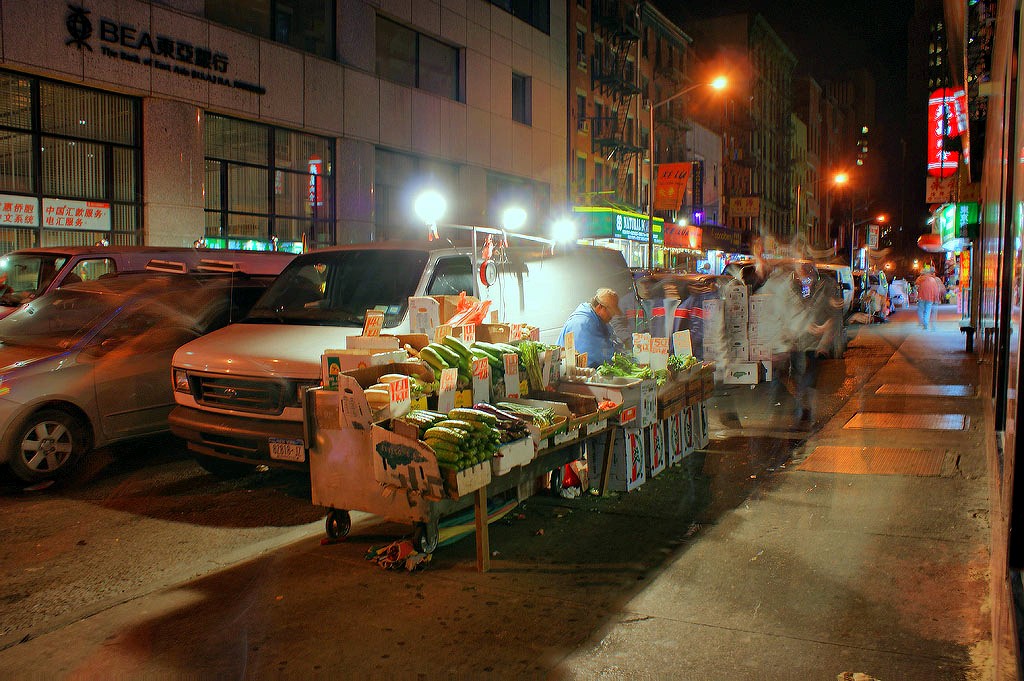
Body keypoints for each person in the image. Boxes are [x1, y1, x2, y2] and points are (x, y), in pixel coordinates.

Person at [777, 262, 843, 425]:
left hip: (815, 343)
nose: (805, 280)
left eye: (808, 276)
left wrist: (825, 343)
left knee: (809, 376)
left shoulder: (825, 288)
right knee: (798, 375)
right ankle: (803, 406)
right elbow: (784, 313)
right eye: (802, 276)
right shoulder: (791, 289)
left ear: (814, 275)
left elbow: (834, 316)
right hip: (797, 339)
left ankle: (804, 408)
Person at [557, 287, 624, 368]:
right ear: (600, 307)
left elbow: (611, 343)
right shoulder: (583, 324)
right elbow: (589, 360)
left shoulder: (600, 321)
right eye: (611, 312)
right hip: (572, 375)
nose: (612, 315)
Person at [915, 265, 946, 331]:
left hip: (921, 297)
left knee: (920, 310)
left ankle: (922, 322)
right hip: (931, 298)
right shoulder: (933, 279)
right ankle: (926, 323)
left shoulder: (920, 279)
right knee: (928, 310)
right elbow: (936, 289)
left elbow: (916, 287)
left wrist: (916, 295)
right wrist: (937, 297)